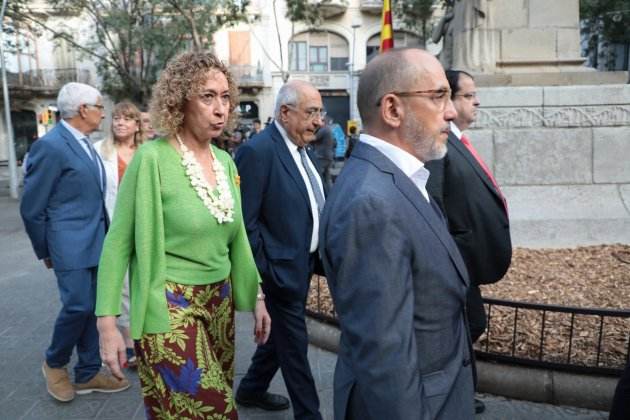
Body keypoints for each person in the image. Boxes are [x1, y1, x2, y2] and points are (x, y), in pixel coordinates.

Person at [94, 51, 271, 419]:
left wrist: (255, 295)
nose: (221, 108)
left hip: (218, 302)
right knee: (216, 411)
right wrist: (107, 323)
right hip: (169, 306)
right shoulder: (152, 159)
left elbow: (237, 236)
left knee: (179, 411)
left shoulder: (225, 163)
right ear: (179, 101)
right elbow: (117, 243)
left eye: (225, 97)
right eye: (208, 96)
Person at [320, 49, 474, 419]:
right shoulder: (371, 202)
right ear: (392, 110)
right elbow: (384, 358)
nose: (451, 112)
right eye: (438, 96)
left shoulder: (402, 180)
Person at [20, 82, 130, 403]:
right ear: (83, 110)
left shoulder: (85, 143)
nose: (103, 113)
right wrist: (45, 251)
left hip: (96, 243)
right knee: (78, 305)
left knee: (95, 308)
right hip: (68, 246)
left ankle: (88, 373)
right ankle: (54, 363)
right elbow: (32, 208)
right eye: (99, 106)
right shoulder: (51, 146)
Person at [234, 80, 325, 420]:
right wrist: (266, 273)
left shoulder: (303, 147)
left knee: (281, 338)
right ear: (285, 113)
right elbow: (246, 223)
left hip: (302, 264)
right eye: (311, 112)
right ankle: (309, 414)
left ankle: (250, 389)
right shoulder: (258, 152)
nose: (318, 121)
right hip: (279, 272)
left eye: (320, 112)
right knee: (296, 347)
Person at [425, 70, 512, 414]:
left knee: (468, 325)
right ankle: (445, 387)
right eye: (468, 95)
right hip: (455, 263)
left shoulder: (460, 141)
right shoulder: (441, 145)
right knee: (470, 325)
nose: (476, 102)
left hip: (467, 262)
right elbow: (434, 205)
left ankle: (462, 390)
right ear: (447, 99)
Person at [93, 101, 144, 368]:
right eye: (116, 118)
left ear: (137, 124)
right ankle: (129, 342)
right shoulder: (100, 151)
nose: (120, 123)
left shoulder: (147, 153)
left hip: (143, 227)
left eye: (126, 118)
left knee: (140, 280)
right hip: (115, 226)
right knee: (122, 284)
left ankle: (141, 334)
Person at [311, 117, 336, 190]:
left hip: (322, 156)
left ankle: (321, 192)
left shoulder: (324, 129)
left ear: (323, 122)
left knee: (318, 175)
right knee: (327, 178)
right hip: (328, 156)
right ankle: (330, 194)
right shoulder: (329, 130)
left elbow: (314, 138)